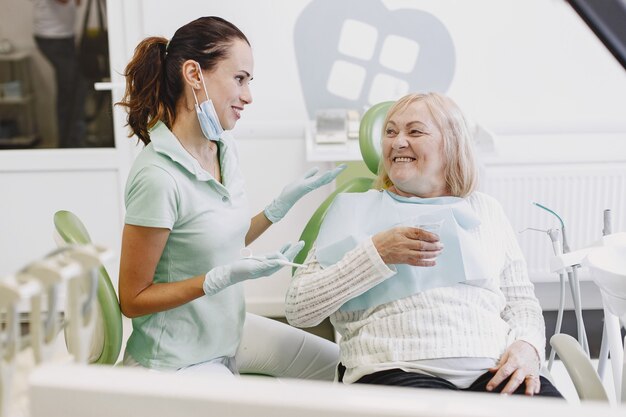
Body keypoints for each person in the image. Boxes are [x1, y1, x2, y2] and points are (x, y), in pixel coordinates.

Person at [285, 92, 563, 397]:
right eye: (390, 132)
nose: (398, 142)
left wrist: (528, 347)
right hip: (396, 366)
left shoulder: (485, 210)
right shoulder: (352, 209)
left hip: (493, 368)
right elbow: (300, 309)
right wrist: (377, 254)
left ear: (451, 144)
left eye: (414, 131)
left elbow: (522, 302)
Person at [116, 16, 344, 376]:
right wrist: (216, 280)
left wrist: (277, 209)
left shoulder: (221, 146)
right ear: (194, 75)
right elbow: (133, 299)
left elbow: (218, 239)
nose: (248, 96)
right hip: (176, 360)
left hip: (226, 334)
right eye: (239, 79)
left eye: (249, 81)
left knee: (334, 365)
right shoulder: (158, 176)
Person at [32, 0, 87, 148]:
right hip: (52, 38)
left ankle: (71, 139)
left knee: (74, 88)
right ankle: (69, 142)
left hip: (64, 37)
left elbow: (77, 3)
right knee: (72, 89)